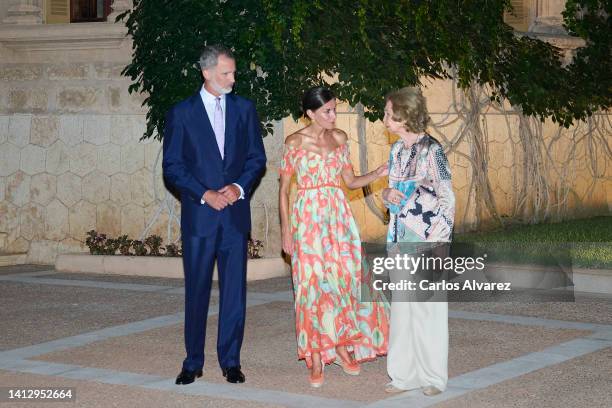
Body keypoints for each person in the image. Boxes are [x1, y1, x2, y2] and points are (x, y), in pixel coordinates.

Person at [163, 45, 266, 385]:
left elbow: (256, 158)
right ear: (206, 73)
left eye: (233, 73)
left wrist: (237, 188)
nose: (233, 79)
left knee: (235, 291)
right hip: (200, 218)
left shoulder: (245, 109)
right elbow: (173, 167)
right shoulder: (182, 113)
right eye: (226, 73)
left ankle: (231, 361)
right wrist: (205, 194)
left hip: (235, 217)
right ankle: (192, 362)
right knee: (197, 291)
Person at [279, 87, 390, 388]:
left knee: (344, 281)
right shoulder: (294, 142)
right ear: (310, 113)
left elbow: (351, 181)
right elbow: (284, 191)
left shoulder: (340, 138)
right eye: (327, 110)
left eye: (334, 108)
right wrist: (287, 232)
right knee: (310, 286)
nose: (333, 115)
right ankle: (315, 356)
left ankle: (341, 347)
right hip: (307, 220)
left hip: (338, 219)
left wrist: (378, 173)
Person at [381, 86, 455, 395]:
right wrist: (386, 195)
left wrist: (440, 241)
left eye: (388, 113)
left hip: (428, 239)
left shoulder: (433, 151)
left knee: (428, 310)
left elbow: (447, 197)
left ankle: (433, 377)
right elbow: (391, 192)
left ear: (404, 116)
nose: (384, 118)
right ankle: (403, 376)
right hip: (400, 237)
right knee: (402, 310)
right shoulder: (397, 150)